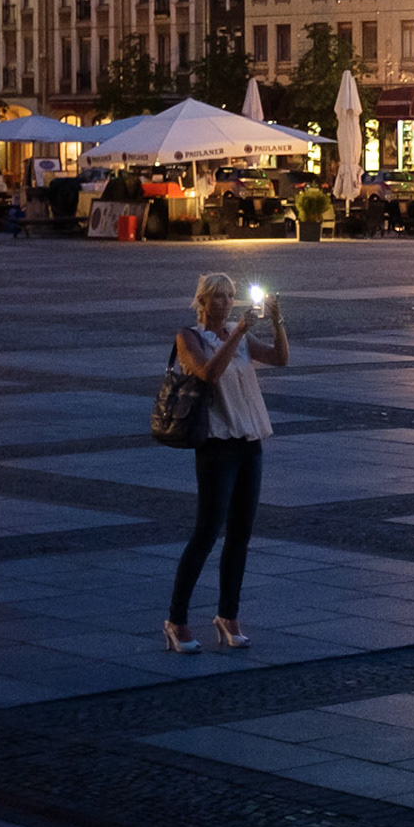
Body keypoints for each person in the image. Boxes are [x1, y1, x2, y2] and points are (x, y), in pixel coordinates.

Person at [165, 273, 289, 654]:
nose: (225, 303)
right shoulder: (189, 337)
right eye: (217, 296)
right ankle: (176, 620)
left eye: (230, 296)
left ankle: (228, 616)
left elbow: (281, 359)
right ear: (201, 300)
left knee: (240, 535)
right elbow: (208, 373)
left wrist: (277, 320)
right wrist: (236, 335)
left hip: (250, 441)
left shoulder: (239, 331)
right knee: (206, 533)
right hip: (217, 444)